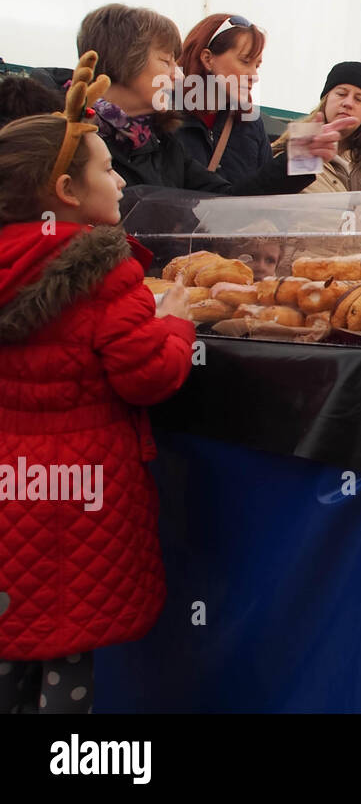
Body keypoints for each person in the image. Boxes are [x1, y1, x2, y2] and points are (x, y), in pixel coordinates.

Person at [0, 57, 195, 714]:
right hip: (79, 507)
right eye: (106, 169)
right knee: (66, 651)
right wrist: (178, 320)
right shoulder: (103, 271)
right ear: (65, 190)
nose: (120, 179)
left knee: (13, 641)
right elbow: (148, 375)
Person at [76, 4, 344, 196]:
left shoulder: (162, 143)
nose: (176, 74)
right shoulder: (69, 138)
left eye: (257, 66)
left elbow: (226, 203)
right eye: (166, 61)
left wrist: (299, 160)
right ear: (126, 61)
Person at [173, 13, 275, 187]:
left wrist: (303, 161)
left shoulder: (251, 124)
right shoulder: (164, 116)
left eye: (257, 66)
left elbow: (268, 198)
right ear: (207, 59)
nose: (254, 76)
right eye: (245, 61)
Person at [278, 62, 361, 193]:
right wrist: (306, 151)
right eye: (341, 94)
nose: (348, 103)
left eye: (359, 99)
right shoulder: (290, 153)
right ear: (325, 100)